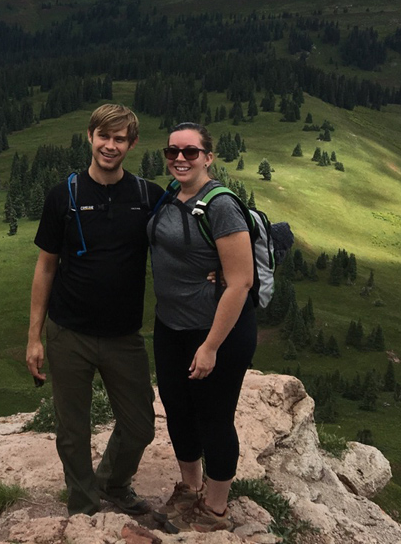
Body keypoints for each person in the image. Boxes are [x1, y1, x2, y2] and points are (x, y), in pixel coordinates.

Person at [27, 103, 163, 517]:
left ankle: (113, 482)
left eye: (119, 138)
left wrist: (216, 272)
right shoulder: (62, 196)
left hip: (124, 335)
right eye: (103, 136)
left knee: (140, 425)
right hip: (69, 331)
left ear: (132, 144)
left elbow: (180, 243)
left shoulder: (147, 196)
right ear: (90, 137)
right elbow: (46, 265)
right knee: (72, 429)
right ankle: (83, 506)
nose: (110, 145)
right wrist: (34, 337)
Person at [149, 121, 256, 533]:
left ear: (208, 157)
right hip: (171, 325)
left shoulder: (221, 205)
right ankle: (189, 489)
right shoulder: (169, 197)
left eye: (190, 152)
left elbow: (242, 280)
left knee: (214, 416)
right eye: (173, 151)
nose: (180, 158)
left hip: (217, 332)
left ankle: (214, 510)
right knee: (178, 409)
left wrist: (210, 345)